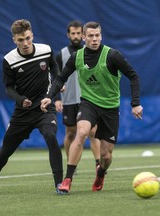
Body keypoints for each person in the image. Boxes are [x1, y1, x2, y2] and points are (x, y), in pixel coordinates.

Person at [41, 21, 143, 193]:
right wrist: (49, 97)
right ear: (83, 37)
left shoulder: (112, 55)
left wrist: (136, 103)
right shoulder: (77, 57)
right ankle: (67, 179)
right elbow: (60, 78)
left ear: (101, 36)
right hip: (88, 103)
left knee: (106, 156)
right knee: (81, 132)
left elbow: (134, 76)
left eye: (97, 36)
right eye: (90, 36)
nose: (94, 39)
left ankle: (101, 173)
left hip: (110, 107)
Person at [0, 19, 64, 195]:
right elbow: (8, 87)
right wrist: (20, 99)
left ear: (32, 35)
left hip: (44, 108)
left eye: (28, 38)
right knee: (5, 151)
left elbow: (56, 74)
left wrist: (53, 95)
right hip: (22, 112)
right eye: (20, 40)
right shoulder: (9, 60)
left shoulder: (45, 50)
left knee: (51, 136)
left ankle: (59, 184)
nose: (25, 43)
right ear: (14, 40)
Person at [55, 20, 100, 170]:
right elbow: (56, 78)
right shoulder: (61, 55)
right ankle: (71, 163)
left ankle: (98, 164)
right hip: (68, 100)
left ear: (83, 35)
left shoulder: (92, 53)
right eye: (72, 33)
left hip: (88, 99)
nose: (75, 36)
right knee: (70, 133)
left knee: (93, 132)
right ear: (68, 35)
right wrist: (56, 99)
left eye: (78, 33)